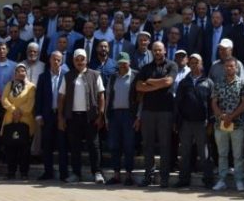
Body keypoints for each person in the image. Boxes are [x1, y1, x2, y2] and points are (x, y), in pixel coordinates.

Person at [58, 48, 106, 184]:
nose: (80, 62)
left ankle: (97, 173)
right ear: (73, 61)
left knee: (94, 146)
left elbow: (101, 96)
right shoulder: (68, 76)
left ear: (87, 60)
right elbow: (61, 97)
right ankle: (76, 174)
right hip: (73, 117)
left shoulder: (95, 75)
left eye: (82, 59)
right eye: (77, 60)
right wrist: (60, 117)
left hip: (91, 117)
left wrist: (101, 115)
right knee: (75, 147)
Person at [136, 41, 178, 187]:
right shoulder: (146, 67)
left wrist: (150, 82)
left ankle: (164, 178)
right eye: (155, 50)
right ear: (152, 51)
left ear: (165, 50)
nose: (157, 52)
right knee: (147, 146)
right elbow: (139, 86)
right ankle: (148, 176)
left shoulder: (172, 65)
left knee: (165, 146)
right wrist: (158, 85)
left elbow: (168, 81)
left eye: (160, 50)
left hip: (165, 111)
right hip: (148, 111)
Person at [175, 53, 215, 189]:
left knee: (204, 153)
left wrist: (211, 122)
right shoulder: (184, 82)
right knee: (185, 152)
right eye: (191, 62)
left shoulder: (208, 82)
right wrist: (177, 121)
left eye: (196, 62)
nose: (194, 65)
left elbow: (212, 105)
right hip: (186, 123)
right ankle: (183, 179)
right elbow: (178, 103)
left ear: (201, 64)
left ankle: (208, 180)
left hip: (202, 123)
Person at [211, 57, 244, 192]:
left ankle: (239, 180)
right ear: (224, 68)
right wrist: (221, 116)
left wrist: (231, 117)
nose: (229, 68)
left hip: (237, 124)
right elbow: (214, 102)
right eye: (227, 66)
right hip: (220, 124)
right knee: (222, 154)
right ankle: (222, 180)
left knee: (238, 155)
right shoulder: (218, 83)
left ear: (236, 68)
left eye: (232, 66)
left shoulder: (243, 84)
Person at [104, 52, 139, 186]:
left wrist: (138, 117)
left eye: (125, 63)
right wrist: (106, 117)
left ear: (129, 62)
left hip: (129, 115)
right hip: (114, 115)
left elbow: (141, 98)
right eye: (120, 63)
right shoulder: (113, 77)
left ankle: (129, 175)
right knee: (114, 146)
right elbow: (108, 96)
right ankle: (116, 175)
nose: (122, 66)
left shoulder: (135, 75)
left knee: (129, 146)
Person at [35, 51, 69, 181]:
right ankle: (48, 172)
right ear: (49, 60)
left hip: (61, 116)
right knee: (47, 145)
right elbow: (39, 97)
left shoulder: (66, 76)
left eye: (58, 60)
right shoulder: (43, 77)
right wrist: (38, 115)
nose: (56, 62)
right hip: (47, 115)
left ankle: (63, 173)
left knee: (62, 145)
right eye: (54, 59)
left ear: (61, 61)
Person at [1, 63, 36, 179]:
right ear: (15, 73)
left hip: (25, 121)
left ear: (26, 73)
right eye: (18, 71)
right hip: (10, 120)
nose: (21, 73)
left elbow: (30, 103)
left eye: (23, 71)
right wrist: (13, 110)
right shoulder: (9, 84)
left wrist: (19, 112)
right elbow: (4, 99)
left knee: (24, 149)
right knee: (10, 148)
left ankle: (24, 172)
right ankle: (11, 172)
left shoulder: (31, 87)